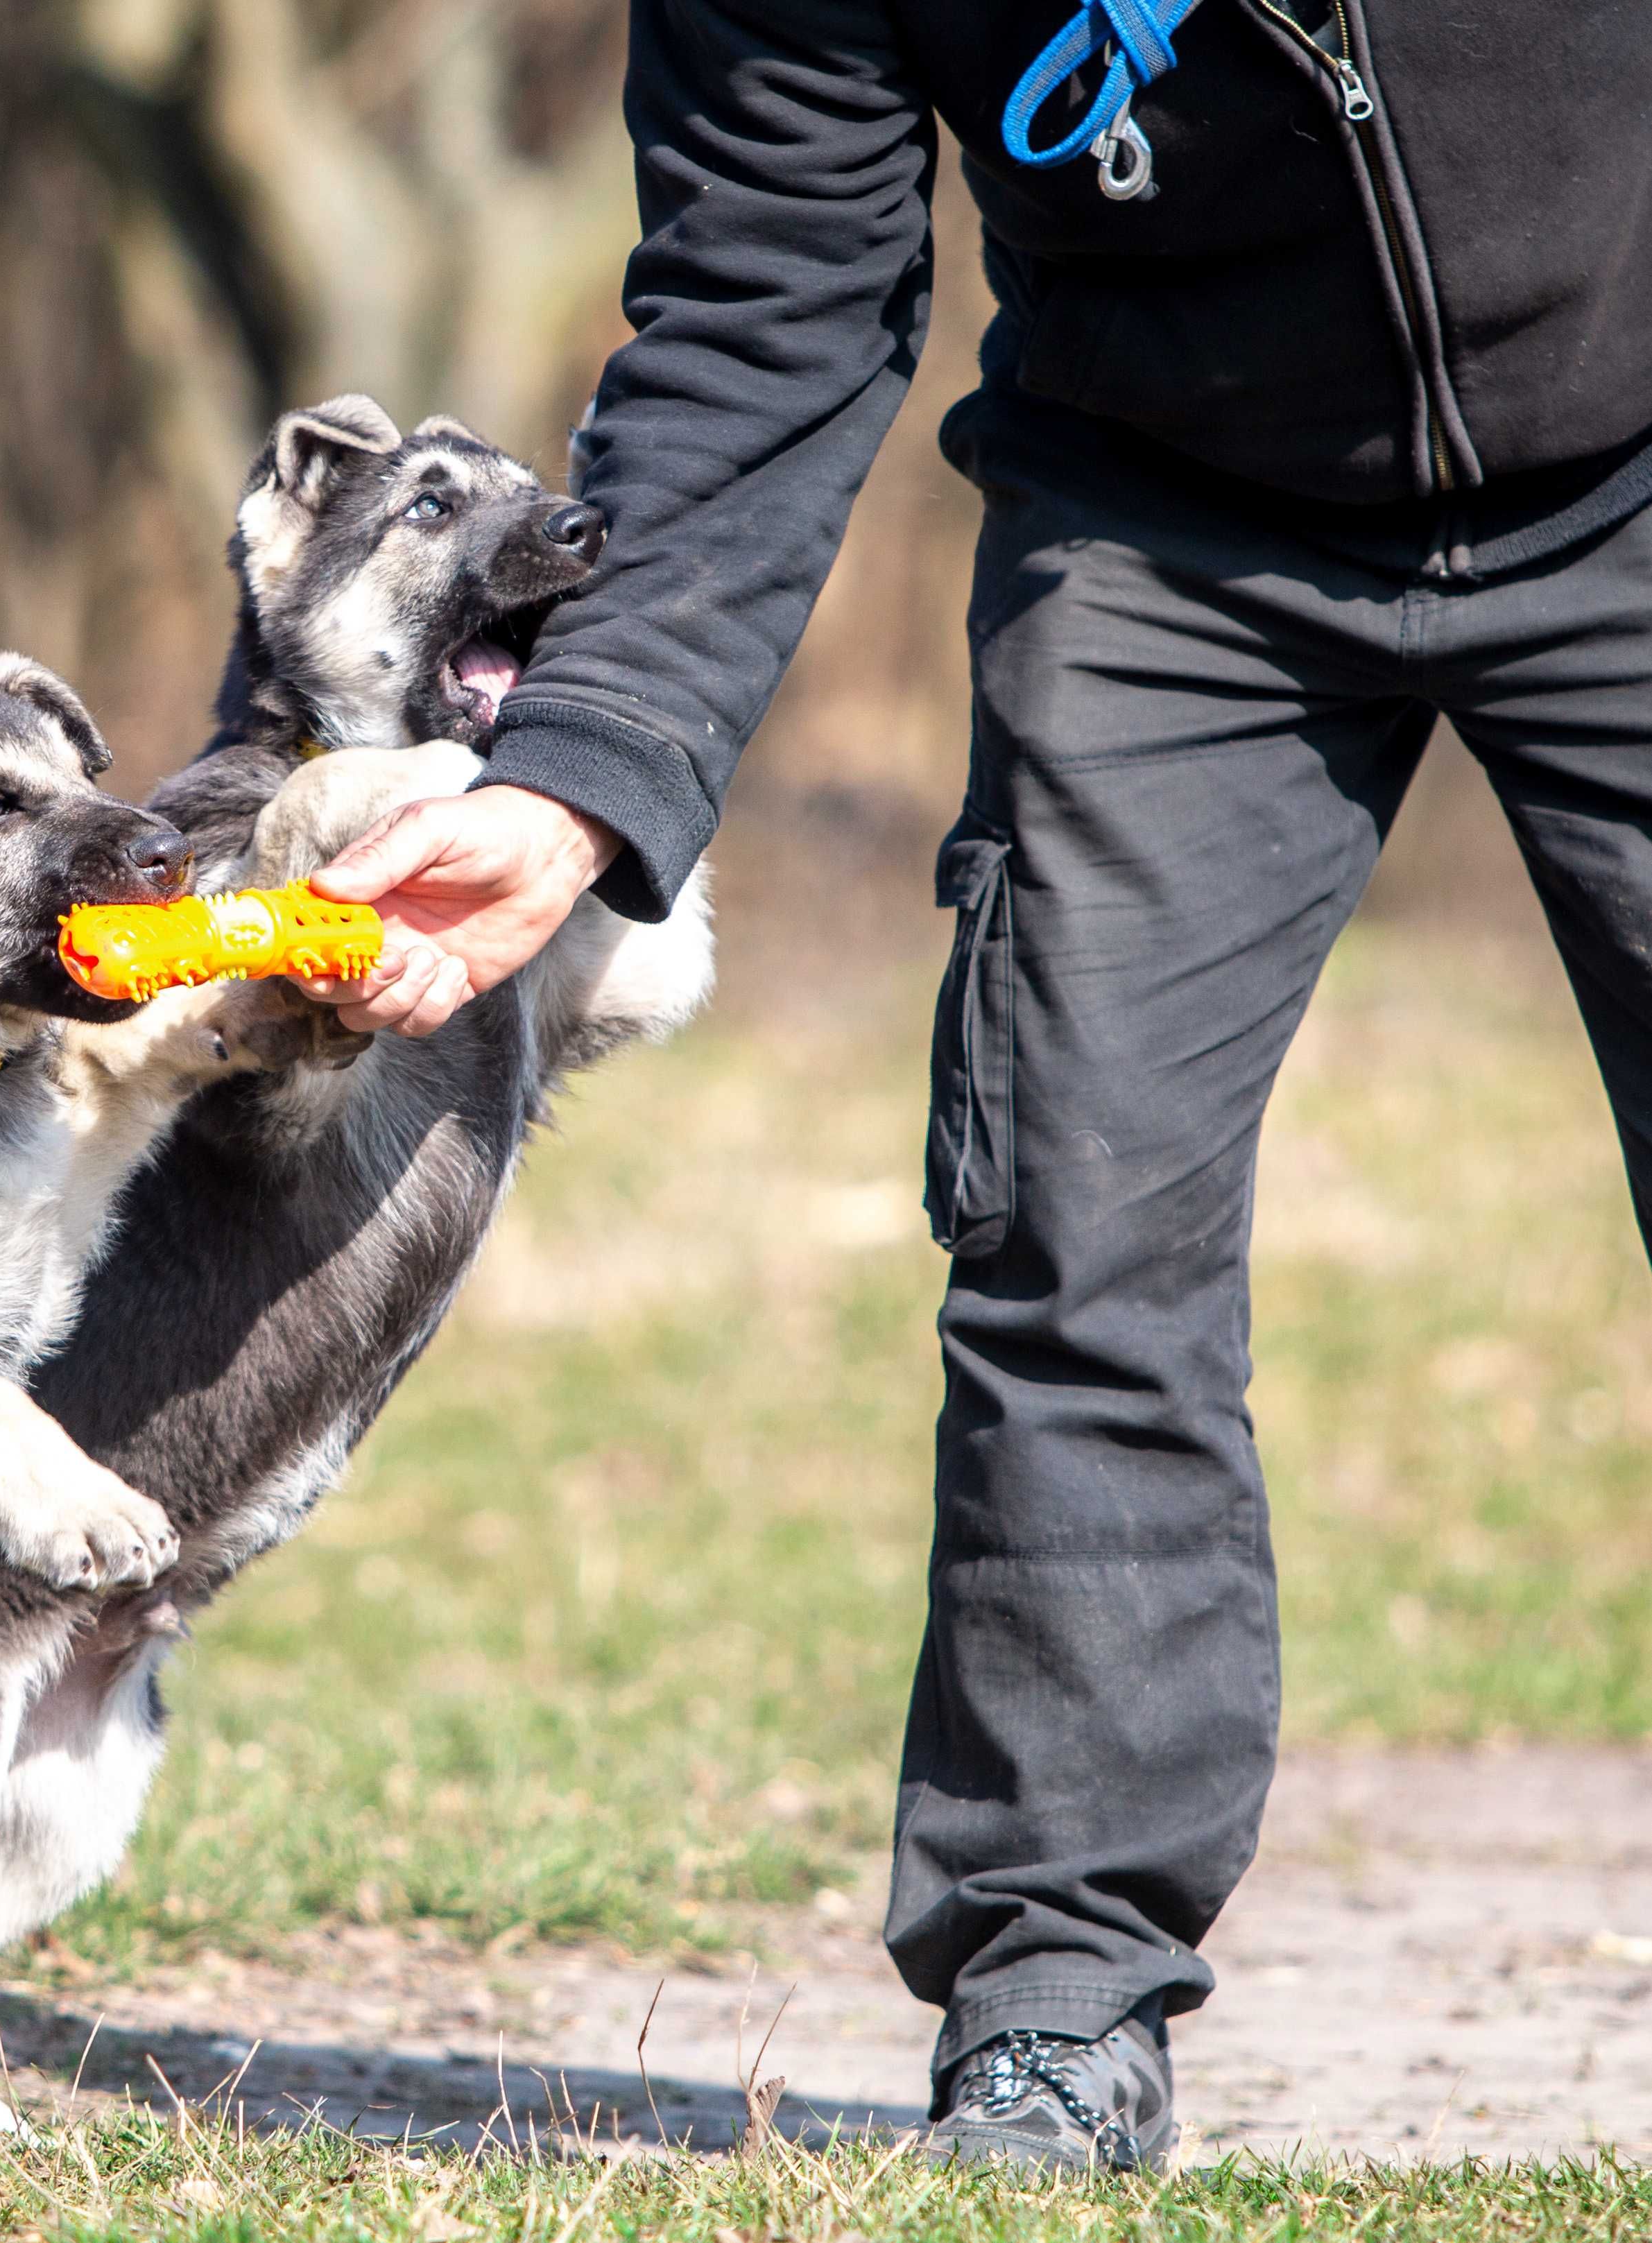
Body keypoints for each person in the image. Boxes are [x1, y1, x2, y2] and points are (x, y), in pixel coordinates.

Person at [296, 0, 1652, 2173]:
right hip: (1167, 531)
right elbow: (761, 309)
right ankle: (1055, 2004)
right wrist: (568, 782)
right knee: (1067, 1222)